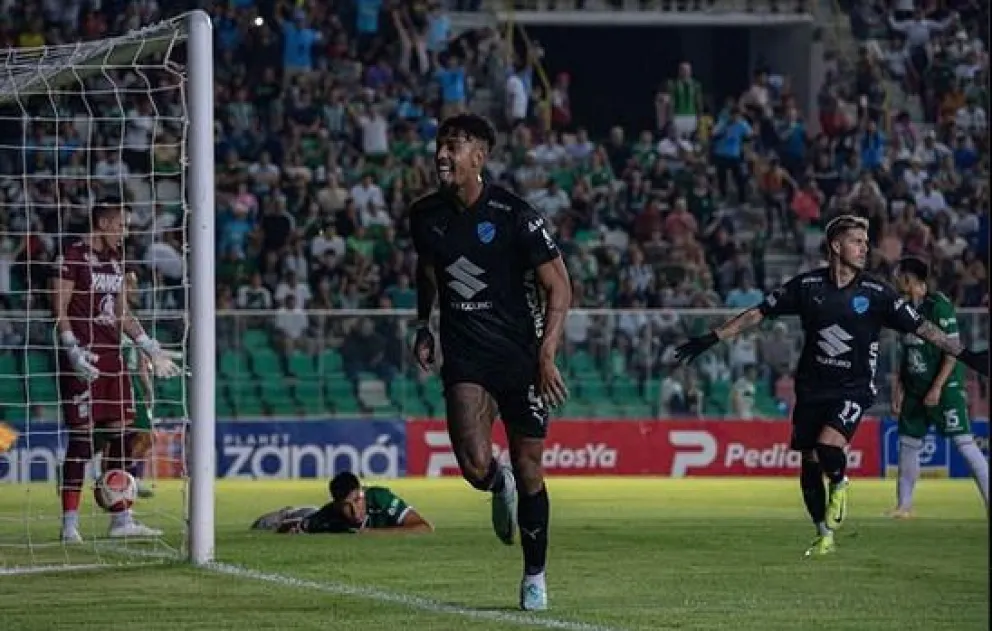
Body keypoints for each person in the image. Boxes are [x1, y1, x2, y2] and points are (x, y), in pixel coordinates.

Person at [674, 215, 989, 557]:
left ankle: (840, 482)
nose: (864, 248)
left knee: (828, 447)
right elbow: (758, 313)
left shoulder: (877, 293)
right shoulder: (807, 287)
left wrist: (969, 357)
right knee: (808, 465)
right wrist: (712, 337)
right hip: (811, 388)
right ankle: (824, 534)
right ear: (836, 246)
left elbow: (925, 330)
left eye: (866, 242)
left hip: (853, 388)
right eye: (857, 241)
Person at [409, 113, 572, 611]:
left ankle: (535, 576)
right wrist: (423, 324)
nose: (442, 154)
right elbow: (428, 271)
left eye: (453, 147)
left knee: (530, 466)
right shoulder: (425, 216)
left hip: (520, 356)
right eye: (440, 145)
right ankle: (492, 481)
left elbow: (559, 286)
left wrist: (547, 352)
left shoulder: (515, 216)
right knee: (475, 465)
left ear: (479, 156)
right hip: (465, 356)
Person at [53, 203, 183, 542]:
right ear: (104, 222)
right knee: (81, 443)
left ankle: (121, 518)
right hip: (83, 360)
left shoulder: (116, 261)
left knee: (121, 439)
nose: (124, 232)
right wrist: (71, 348)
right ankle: (70, 524)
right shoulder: (72, 257)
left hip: (114, 361)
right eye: (121, 225)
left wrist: (148, 346)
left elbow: (122, 313)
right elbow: (59, 308)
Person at [889, 256, 989, 517]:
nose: (895, 280)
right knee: (907, 444)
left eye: (899, 276)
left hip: (945, 389)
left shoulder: (939, 306)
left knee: (965, 445)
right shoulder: (903, 310)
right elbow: (905, 351)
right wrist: (898, 387)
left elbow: (952, 352)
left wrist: (936, 387)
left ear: (912, 280)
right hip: (914, 388)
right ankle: (904, 506)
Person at [250, 472, 433, 534]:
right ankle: (287, 511)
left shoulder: (380, 498)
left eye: (357, 500)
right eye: (347, 505)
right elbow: (293, 528)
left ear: (362, 493)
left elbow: (424, 528)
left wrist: (371, 534)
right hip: (308, 514)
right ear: (337, 505)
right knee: (289, 519)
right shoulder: (329, 515)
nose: (355, 510)